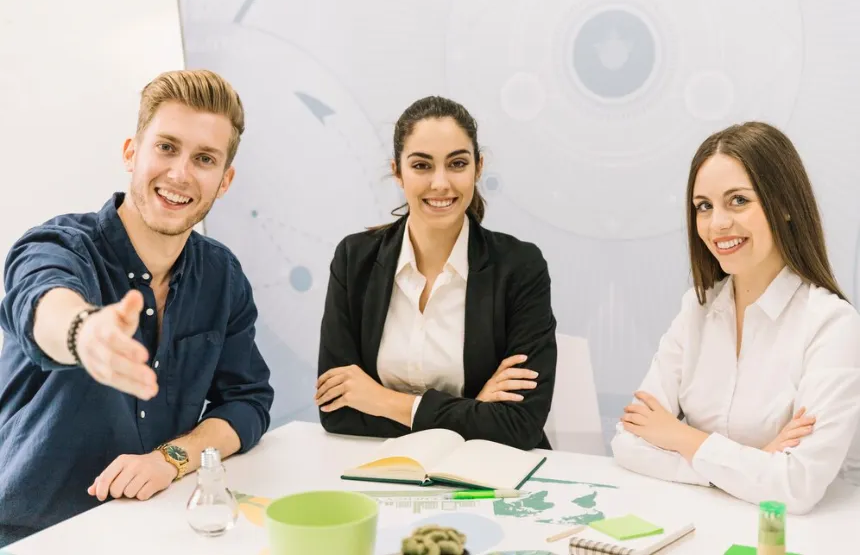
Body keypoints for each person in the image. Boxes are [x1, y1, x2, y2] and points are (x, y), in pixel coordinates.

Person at [0, 69, 274, 546]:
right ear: (132, 152)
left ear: (224, 181)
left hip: (153, 531)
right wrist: (83, 334)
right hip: (30, 536)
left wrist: (172, 458)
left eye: (204, 158)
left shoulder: (222, 277)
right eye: (166, 147)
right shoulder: (60, 245)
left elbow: (248, 402)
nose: (180, 173)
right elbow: (40, 300)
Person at [610, 121, 860, 514]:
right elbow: (628, 441)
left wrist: (680, 437)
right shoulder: (697, 308)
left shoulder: (831, 323)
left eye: (738, 201)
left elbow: (796, 486)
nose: (717, 223)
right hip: (700, 530)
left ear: (785, 206)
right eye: (704, 206)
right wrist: (754, 459)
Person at [314, 96, 557, 450]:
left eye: (457, 164)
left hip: (489, 476)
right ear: (397, 172)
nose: (441, 183)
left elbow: (519, 426)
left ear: (478, 167)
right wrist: (475, 411)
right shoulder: (355, 260)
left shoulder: (520, 267)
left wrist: (384, 401)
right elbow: (338, 411)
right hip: (385, 472)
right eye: (422, 166)